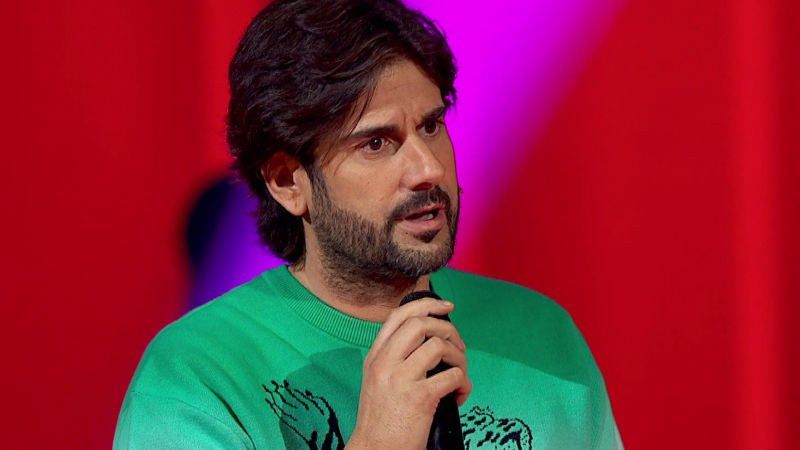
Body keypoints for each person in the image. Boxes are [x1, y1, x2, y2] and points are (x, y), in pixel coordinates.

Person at [114, 0, 623, 448]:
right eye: (376, 143)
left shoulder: (542, 336)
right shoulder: (196, 377)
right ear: (288, 182)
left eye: (431, 125)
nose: (428, 169)